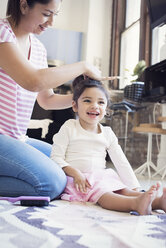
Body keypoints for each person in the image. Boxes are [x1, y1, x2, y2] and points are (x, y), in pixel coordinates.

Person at [0, 0, 109, 201]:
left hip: (15, 138)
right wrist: (84, 66)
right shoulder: (2, 34)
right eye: (46, 13)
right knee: (51, 183)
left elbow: (47, 100)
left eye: (54, 15)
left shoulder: (39, 49)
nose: (50, 22)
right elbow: (33, 81)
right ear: (24, 6)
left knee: (70, 161)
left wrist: (83, 100)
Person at [51, 75, 166, 215]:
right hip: (79, 181)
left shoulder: (107, 132)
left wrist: (136, 188)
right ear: (75, 105)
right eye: (87, 100)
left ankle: (159, 202)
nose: (95, 106)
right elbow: (56, 158)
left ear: (106, 108)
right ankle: (135, 204)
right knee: (105, 195)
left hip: (101, 177)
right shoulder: (69, 127)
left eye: (101, 102)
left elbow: (121, 162)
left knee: (124, 190)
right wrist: (76, 174)